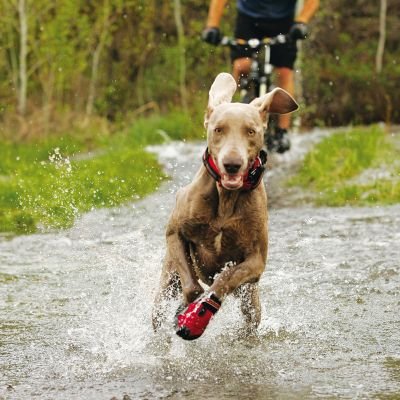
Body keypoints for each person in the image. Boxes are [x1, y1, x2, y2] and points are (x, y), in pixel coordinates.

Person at [202, 0, 319, 153]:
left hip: (283, 21)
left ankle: (282, 131)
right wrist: (212, 25)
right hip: (249, 18)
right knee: (241, 66)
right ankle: (227, 114)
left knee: (284, 72)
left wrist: (301, 22)